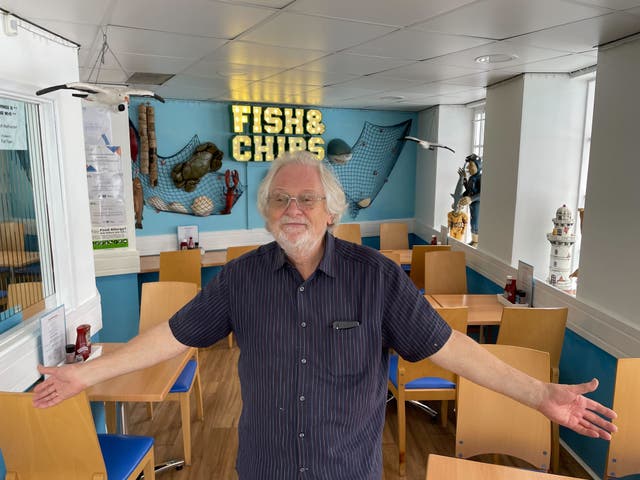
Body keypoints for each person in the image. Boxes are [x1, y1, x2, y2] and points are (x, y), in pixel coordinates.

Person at [34, 151, 616, 480]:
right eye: (281, 200)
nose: (294, 209)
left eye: (306, 198)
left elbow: (449, 348)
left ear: (330, 210)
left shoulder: (380, 279)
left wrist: (539, 394)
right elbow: (171, 337)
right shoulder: (240, 279)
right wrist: (81, 375)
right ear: (266, 213)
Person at [458, 153, 482, 247]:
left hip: (477, 204)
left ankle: (476, 242)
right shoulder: (471, 178)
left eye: (471, 165)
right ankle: (473, 241)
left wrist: (471, 198)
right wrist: (464, 179)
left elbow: (482, 193)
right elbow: (468, 190)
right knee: (473, 221)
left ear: (478, 166)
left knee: (476, 222)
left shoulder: (480, 178)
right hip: (472, 204)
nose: (468, 168)